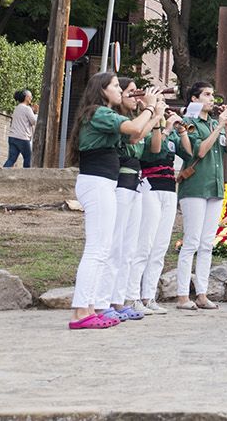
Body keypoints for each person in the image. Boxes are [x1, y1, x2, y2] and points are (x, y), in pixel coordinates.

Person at [69, 70, 163, 329]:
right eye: (115, 85)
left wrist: (153, 114)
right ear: (102, 90)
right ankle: (80, 312)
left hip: (104, 183)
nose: (120, 91)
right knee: (97, 249)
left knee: (102, 248)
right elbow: (133, 127)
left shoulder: (105, 114)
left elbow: (134, 137)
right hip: (96, 183)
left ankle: (88, 308)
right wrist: (150, 107)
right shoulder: (97, 112)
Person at [174, 82, 227, 309]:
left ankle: (202, 293)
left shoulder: (214, 123)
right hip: (195, 187)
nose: (212, 99)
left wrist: (226, 125)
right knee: (191, 241)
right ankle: (182, 294)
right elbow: (200, 150)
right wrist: (219, 127)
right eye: (207, 95)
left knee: (207, 243)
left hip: (215, 187)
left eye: (213, 95)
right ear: (194, 99)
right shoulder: (188, 123)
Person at [131, 100, 190, 314]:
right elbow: (153, 151)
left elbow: (190, 154)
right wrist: (163, 127)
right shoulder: (145, 129)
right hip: (150, 187)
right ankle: (133, 296)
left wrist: (182, 131)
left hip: (169, 189)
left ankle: (149, 296)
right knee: (144, 245)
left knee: (160, 247)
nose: (165, 110)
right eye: (161, 106)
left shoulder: (172, 133)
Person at [99, 78, 148, 321]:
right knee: (115, 246)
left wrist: (155, 115)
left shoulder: (132, 119)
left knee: (128, 247)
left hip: (135, 185)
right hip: (120, 184)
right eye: (129, 92)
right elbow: (135, 136)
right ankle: (105, 300)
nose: (133, 96)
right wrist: (152, 110)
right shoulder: (117, 122)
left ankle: (118, 301)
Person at [3, 89, 36, 168]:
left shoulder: (17, 108)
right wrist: (35, 113)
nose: (31, 98)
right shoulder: (27, 109)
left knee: (11, 159)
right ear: (26, 97)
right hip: (22, 138)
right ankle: (25, 176)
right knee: (28, 158)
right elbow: (34, 121)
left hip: (12, 137)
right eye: (30, 96)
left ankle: (1, 173)